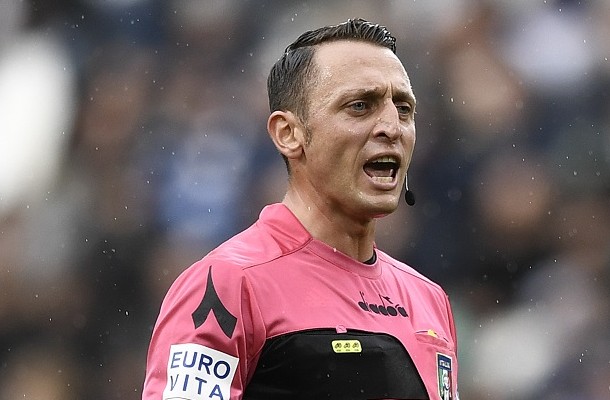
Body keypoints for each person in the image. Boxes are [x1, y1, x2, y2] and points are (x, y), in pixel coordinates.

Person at [142, 18, 459, 400]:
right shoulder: (226, 285)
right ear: (288, 134)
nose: (392, 127)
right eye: (360, 106)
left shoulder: (429, 300)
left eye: (404, 109)